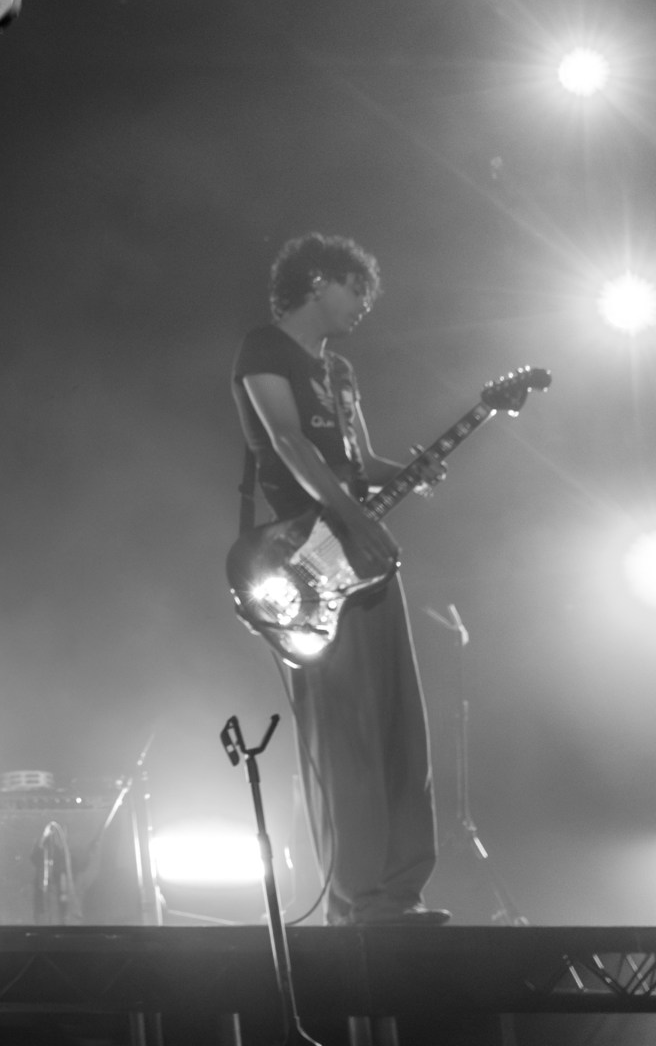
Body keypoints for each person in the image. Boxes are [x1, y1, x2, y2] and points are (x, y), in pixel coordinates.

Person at [231, 232, 443, 926]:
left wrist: (409, 470)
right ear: (318, 282)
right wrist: (351, 516)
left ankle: (401, 891)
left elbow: (358, 461)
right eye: (357, 289)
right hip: (308, 562)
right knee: (343, 728)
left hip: (364, 555)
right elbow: (287, 441)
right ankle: (357, 899)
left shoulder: (342, 371)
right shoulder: (265, 349)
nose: (364, 305)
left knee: (398, 724)